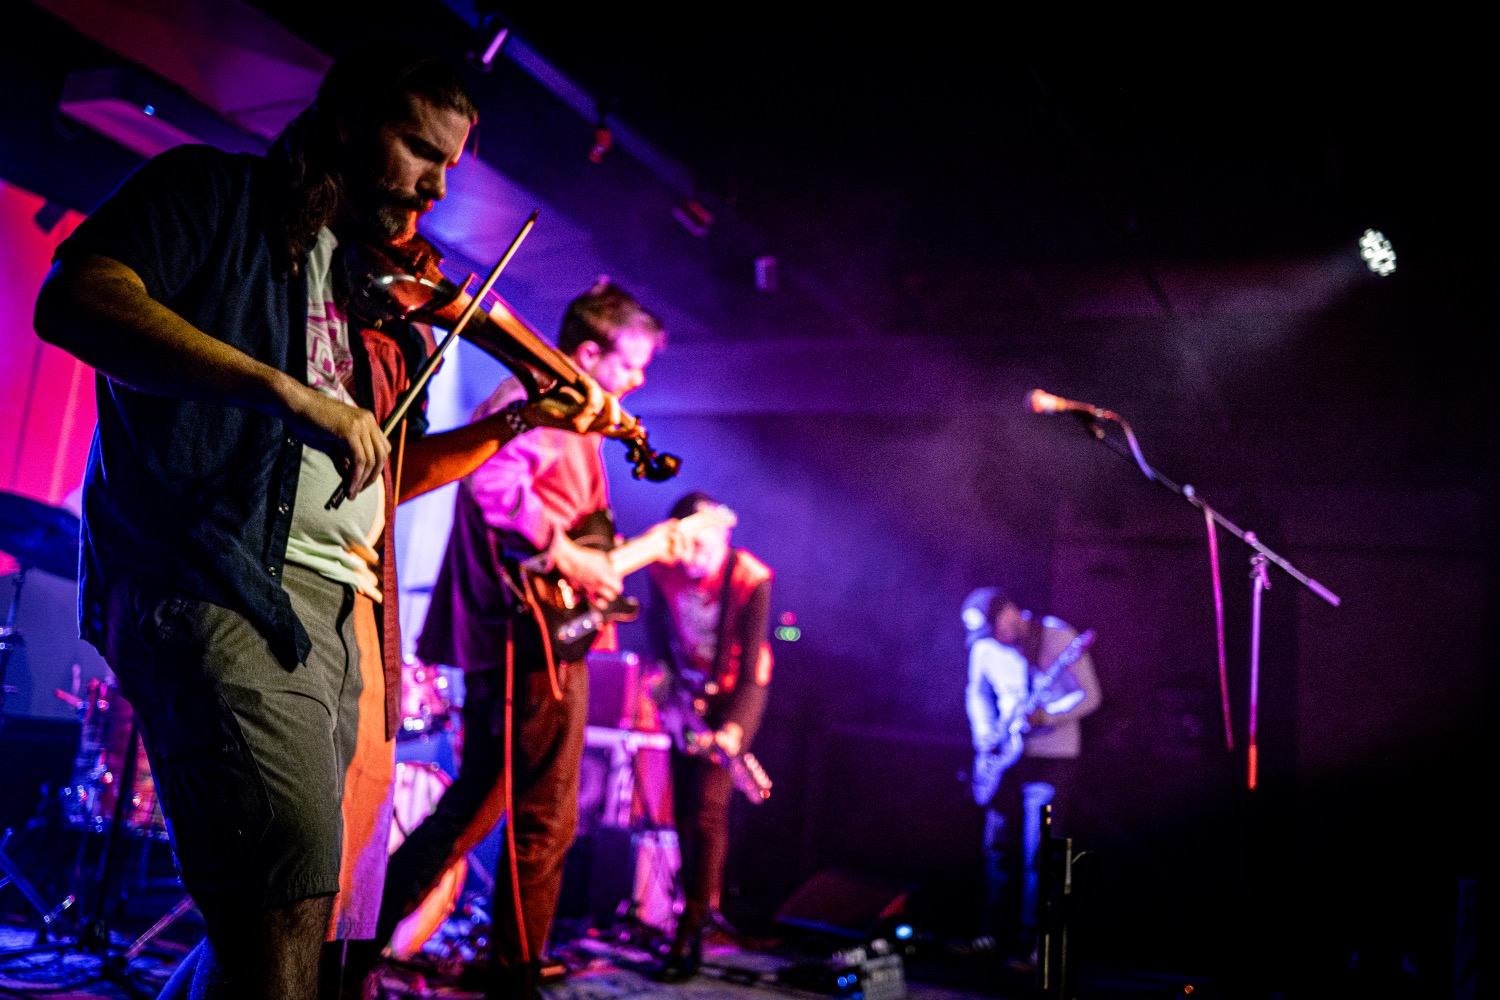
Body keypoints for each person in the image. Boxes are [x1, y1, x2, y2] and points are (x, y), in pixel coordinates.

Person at [32, 44, 619, 1000]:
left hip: (345, 614)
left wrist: (513, 421)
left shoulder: (381, 300)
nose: (436, 186)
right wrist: (284, 393)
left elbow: (386, 475)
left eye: (449, 164)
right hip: (216, 581)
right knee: (286, 885)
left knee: (296, 916)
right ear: (347, 121)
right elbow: (76, 300)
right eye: (419, 150)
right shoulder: (212, 193)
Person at [377, 278, 664, 998]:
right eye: (630, 365)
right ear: (588, 353)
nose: (637, 381)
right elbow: (492, 487)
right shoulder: (542, 404)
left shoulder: (570, 412)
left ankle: (376, 943)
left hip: (531, 638)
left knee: (488, 804)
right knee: (535, 813)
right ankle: (507, 973)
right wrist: (567, 555)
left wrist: (588, 556)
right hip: (526, 642)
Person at [643, 491, 773, 981]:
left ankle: (691, 929)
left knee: (708, 808)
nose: (690, 557)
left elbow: (753, 667)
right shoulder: (665, 570)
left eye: (699, 544)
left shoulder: (749, 578)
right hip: (685, 697)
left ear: (721, 535)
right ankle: (690, 912)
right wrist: (663, 681)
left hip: (735, 695)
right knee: (682, 811)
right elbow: (655, 633)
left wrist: (734, 728)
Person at [962, 586, 1101, 960]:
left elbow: (1090, 696)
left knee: (1039, 851)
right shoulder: (984, 647)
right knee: (997, 847)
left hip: (1052, 759)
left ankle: (1036, 944)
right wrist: (984, 733)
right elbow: (977, 693)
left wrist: (1048, 716)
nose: (995, 639)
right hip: (1004, 759)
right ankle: (994, 935)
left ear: (1010, 611)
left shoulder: (1057, 636)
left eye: (996, 629)